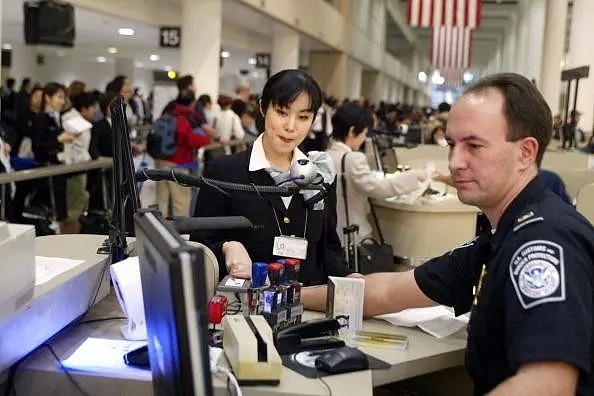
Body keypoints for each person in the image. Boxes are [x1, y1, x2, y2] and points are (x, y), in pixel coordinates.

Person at [302, 73, 594, 395]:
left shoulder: (542, 243)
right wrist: (280, 296)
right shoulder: (501, 237)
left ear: (526, 152)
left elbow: (548, 385)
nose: (455, 162)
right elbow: (385, 291)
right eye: (453, 145)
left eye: (474, 146)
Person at [190, 69, 353, 286]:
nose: (291, 126)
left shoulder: (318, 174)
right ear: (263, 107)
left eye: (303, 117)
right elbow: (200, 247)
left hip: (308, 307)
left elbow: (328, 246)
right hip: (247, 308)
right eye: (282, 112)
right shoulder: (225, 172)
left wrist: (349, 280)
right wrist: (226, 247)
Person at [326, 102, 424, 246]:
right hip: (353, 235)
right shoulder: (353, 159)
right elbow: (381, 188)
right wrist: (414, 175)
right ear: (352, 131)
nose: (365, 138)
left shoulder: (324, 155)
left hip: (331, 233)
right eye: (364, 133)